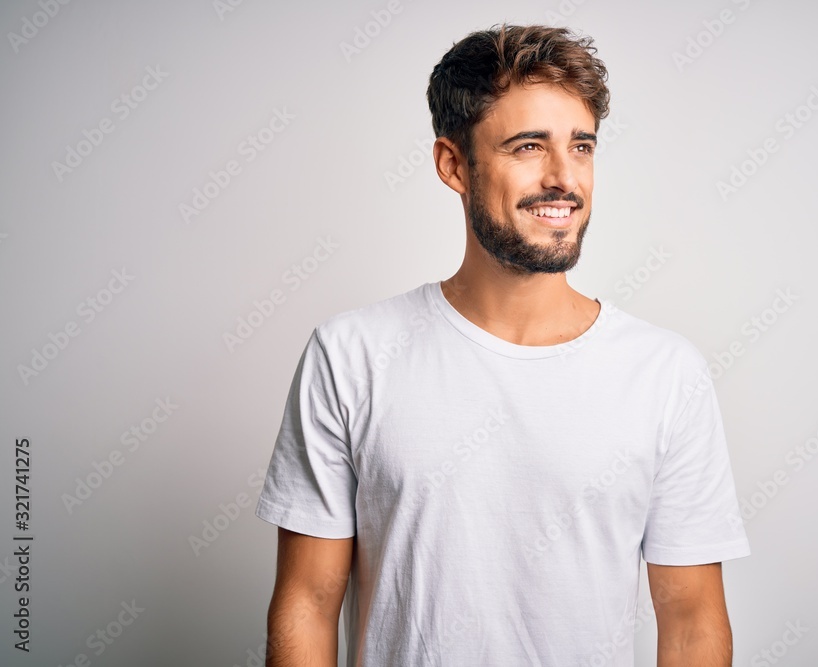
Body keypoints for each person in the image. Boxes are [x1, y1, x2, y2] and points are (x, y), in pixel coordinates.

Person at [255, 23, 750, 667]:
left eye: (581, 146)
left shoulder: (664, 373)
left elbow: (690, 619)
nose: (563, 178)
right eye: (527, 147)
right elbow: (308, 602)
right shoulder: (350, 356)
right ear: (453, 165)